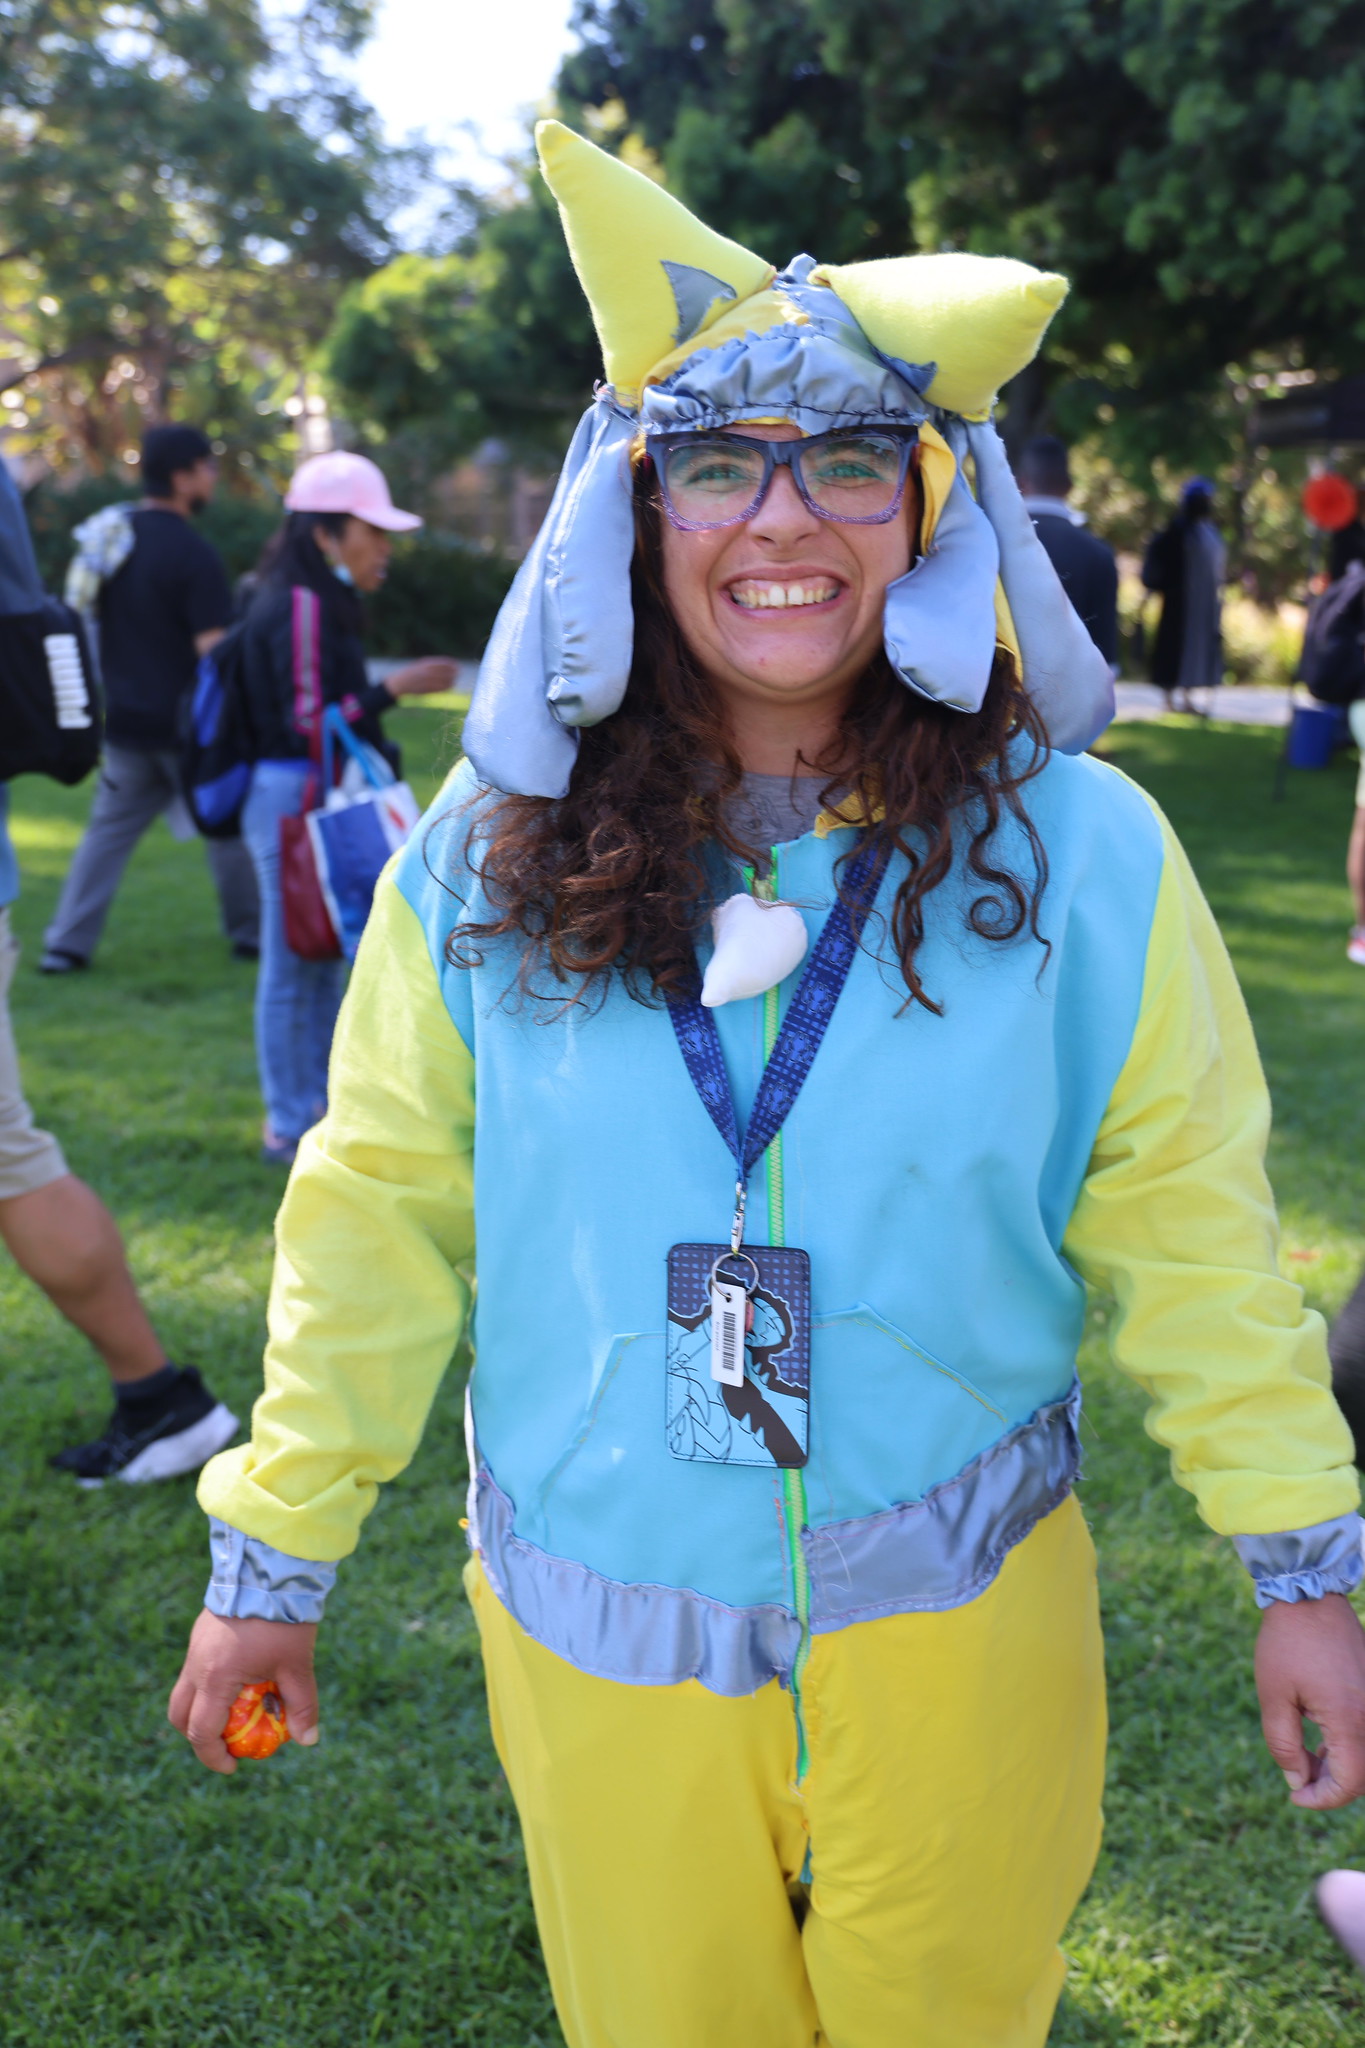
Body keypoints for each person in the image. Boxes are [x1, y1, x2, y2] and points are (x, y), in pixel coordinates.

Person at [169, 125, 1365, 2048]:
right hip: (602, 1650)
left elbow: (1192, 1224)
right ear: (629, 512)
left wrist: (1300, 1564)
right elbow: (375, 1207)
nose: (783, 522)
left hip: (965, 1633)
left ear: (936, 506)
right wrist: (277, 1548)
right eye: (717, 462)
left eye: (851, 463)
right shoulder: (487, 855)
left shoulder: (1091, 853)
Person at [0, 467, 238, 1485]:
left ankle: (159, 1394)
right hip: (150, 729)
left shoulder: (129, 540)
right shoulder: (175, 546)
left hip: (142, 729)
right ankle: (157, 1395)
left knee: (13, 1159)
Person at [236, 452, 456, 1166]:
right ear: (325, 535)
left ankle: (322, 1110)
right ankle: (285, 1120)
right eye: (373, 532)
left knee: (326, 956)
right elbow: (306, 722)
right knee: (291, 961)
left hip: (318, 794)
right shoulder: (299, 603)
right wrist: (396, 691)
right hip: (293, 797)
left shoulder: (316, 598)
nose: (384, 548)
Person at [40, 423, 259, 973]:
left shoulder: (112, 542)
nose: (213, 476)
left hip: (126, 724)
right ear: (183, 477)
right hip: (190, 731)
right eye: (207, 467)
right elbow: (212, 651)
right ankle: (252, 935)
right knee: (225, 825)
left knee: (104, 839)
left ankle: (64, 946)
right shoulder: (193, 554)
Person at [1015, 434, 1119, 668]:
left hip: (1000, 692)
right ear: (1069, 486)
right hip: (1074, 692)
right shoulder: (1099, 554)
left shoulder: (994, 543)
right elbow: (1106, 656)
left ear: (1020, 483)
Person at [1141, 476, 1227, 713]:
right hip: (1179, 605)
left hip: (1203, 605)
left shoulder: (1208, 532)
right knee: (1172, 650)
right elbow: (1158, 565)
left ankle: (1187, 696)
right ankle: (1169, 698)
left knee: (1195, 650)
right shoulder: (1177, 532)